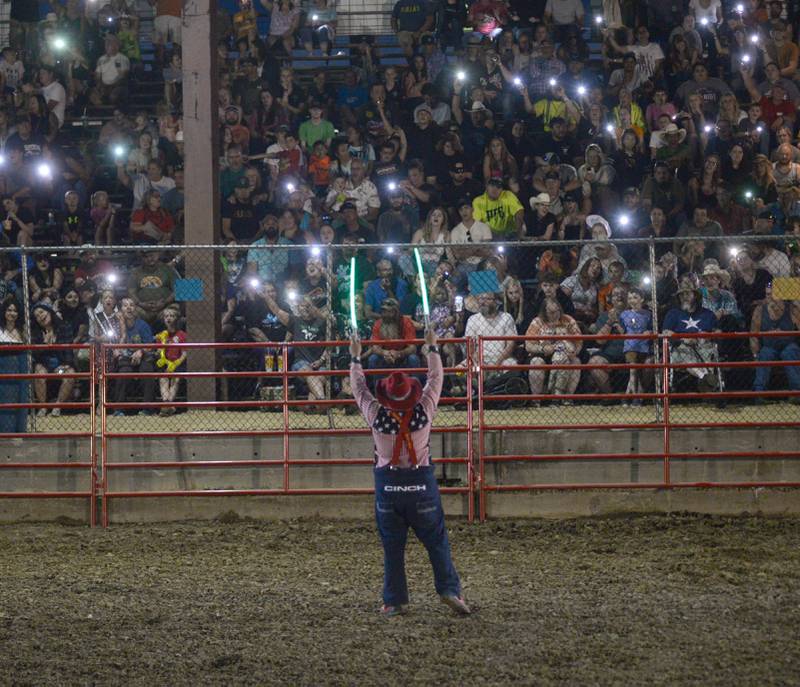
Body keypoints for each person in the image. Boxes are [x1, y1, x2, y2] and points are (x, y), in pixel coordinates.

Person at [348, 325, 470, 616]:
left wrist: (355, 357)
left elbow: (359, 388)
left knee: (392, 547)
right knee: (436, 540)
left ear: (387, 396)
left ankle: (394, 600)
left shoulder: (376, 415)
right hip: (421, 485)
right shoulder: (423, 411)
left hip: (388, 489)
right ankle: (449, 589)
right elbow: (436, 379)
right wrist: (432, 347)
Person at [524, 298, 582, 405]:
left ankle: (567, 399)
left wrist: (574, 352)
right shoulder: (537, 322)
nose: (555, 315)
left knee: (576, 362)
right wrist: (542, 349)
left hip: (564, 353)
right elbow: (528, 345)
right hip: (542, 354)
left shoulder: (568, 320)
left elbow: (579, 341)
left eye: (557, 311)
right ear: (545, 312)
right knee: (536, 362)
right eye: (551, 312)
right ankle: (536, 400)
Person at [749, 283, 800, 403]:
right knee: (764, 354)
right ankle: (759, 393)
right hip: (769, 346)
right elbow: (753, 335)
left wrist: (784, 333)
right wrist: (755, 354)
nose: (770, 297)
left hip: (788, 344)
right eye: (767, 294)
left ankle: (796, 392)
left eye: (773, 294)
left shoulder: (792, 309)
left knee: (791, 352)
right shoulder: (760, 310)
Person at [619, 288, 653, 406]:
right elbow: (622, 330)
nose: (632, 300)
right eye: (630, 298)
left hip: (643, 345)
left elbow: (651, 328)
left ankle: (628, 395)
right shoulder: (624, 314)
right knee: (633, 370)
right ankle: (636, 397)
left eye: (635, 297)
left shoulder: (648, 314)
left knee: (636, 372)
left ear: (642, 299)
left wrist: (649, 332)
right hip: (630, 345)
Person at [0, 300, 28, 433]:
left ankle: (18, 430)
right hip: (2, 369)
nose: (12, 313)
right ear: (4, 312)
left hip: (18, 369)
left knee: (18, 400)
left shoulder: (23, 330)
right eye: (9, 310)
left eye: (15, 311)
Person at [154, 307, 187, 416]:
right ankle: (167, 404)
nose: (169, 318)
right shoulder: (162, 335)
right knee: (163, 378)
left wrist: (176, 363)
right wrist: (160, 349)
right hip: (165, 363)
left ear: (176, 318)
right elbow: (159, 352)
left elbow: (184, 353)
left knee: (175, 379)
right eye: (166, 316)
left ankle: (167, 405)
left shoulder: (182, 335)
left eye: (171, 316)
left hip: (177, 363)